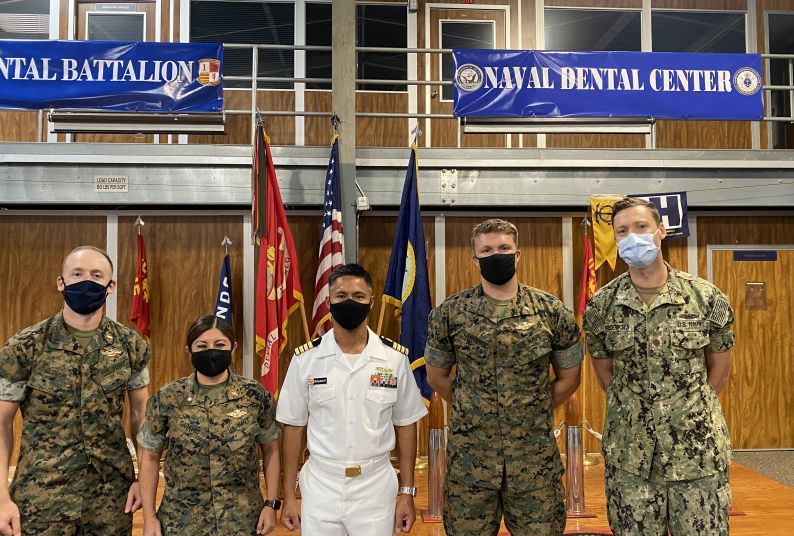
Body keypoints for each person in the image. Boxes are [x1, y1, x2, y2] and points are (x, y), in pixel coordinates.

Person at [584, 196, 734, 536]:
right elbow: (605, 375)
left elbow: (719, 372)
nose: (632, 236)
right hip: (631, 458)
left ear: (661, 231)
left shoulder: (705, 297)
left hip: (696, 453)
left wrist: (684, 413)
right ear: (616, 241)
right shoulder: (601, 306)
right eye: (622, 231)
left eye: (641, 227)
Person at [425, 218, 583, 536]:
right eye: (486, 249)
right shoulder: (450, 313)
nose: (495, 254)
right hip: (470, 465)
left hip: (534, 464)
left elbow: (570, 379)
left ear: (517, 254)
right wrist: (476, 407)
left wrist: (532, 408)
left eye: (503, 248)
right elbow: (436, 376)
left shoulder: (552, 312)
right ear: (475, 258)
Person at [0, 245, 150, 536]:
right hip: (40, 498)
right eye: (77, 274)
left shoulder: (130, 345)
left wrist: (143, 481)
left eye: (97, 275)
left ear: (111, 285)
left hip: (110, 499)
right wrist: (0, 497)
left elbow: (141, 417)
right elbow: (1, 423)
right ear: (61, 282)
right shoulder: (25, 347)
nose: (86, 281)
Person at [277, 263, 427, 536]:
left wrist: (407, 492)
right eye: (341, 296)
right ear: (329, 301)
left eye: (358, 296)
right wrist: (288, 495)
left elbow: (406, 425)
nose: (350, 302)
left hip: (375, 486)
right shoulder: (305, 361)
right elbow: (293, 427)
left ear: (371, 301)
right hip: (321, 484)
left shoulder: (394, 360)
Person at [137, 315, 281, 536]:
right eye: (202, 346)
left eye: (219, 344)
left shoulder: (254, 395)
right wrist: (149, 517)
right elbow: (149, 457)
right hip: (182, 522)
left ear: (232, 347)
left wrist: (271, 505)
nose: (211, 351)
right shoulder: (168, 398)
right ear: (189, 351)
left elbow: (270, 449)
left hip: (242, 520)